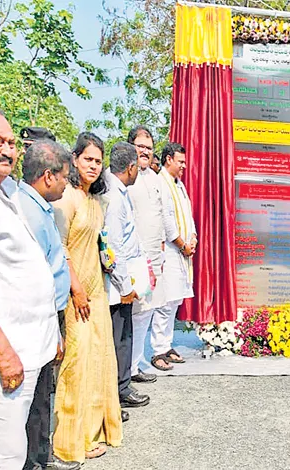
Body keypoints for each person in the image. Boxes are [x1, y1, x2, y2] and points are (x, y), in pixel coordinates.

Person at [0, 104, 59, 469]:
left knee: (4, 452)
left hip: (24, 348)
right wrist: (4, 354)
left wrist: (50, 332)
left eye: (11, 142)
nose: (8, 150)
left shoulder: (3, 189)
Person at [51, 132, 122, 463]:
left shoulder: (96, 200)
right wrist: (76, 289)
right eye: (88, 159)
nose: (93, 166)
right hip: (74, 294)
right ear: (75, 159)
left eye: (98, 161)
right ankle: (70, 440)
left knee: (98, 360)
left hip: (96, 291)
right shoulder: (66, 198)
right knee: (76, 364)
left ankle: (94, 431)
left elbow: (99, 242)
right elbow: (60, 249)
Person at [16, 139, 80, 470]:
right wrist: (53, 328)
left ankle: (42, 456)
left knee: (43, 393)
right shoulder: (27, 211)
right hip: (38, 316)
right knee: (33, 397)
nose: (67, 184)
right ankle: (34, 462)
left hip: (49, 313)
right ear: (48, 176)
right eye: (65, 177)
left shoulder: (40, 207)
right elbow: (34, 275)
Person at [103, 142, 151, 412]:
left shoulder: (120, 191)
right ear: (131, 167)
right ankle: (117, 392)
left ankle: (122, 387)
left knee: (125, 335)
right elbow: (114, 247)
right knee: (118, 338)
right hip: (117, 283)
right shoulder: (114, 195)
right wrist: (124, 286)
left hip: (125, 277)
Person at [151, 142, 197, 371]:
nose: (184, 166)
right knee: (165, 302)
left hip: (182, 251)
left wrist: (193, 237)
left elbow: (187, 215)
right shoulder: (161, 183)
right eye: (181, 162)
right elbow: (167, 220)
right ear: (168, 159)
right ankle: (158, 350)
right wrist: (181, 244)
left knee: (175, 301)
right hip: (169, 251)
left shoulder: (179, 184)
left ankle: (166, 345)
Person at [126, 126, 163, 384]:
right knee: (129, 315)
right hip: (133, 260)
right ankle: (123, 372)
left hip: (154, 257)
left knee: (145, 314)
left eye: (149, 148)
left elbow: (161, 214)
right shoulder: (123, 177)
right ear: (131, 147)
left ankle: (134, 366)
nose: (145, 152)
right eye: (140, 146)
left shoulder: (155, 178)